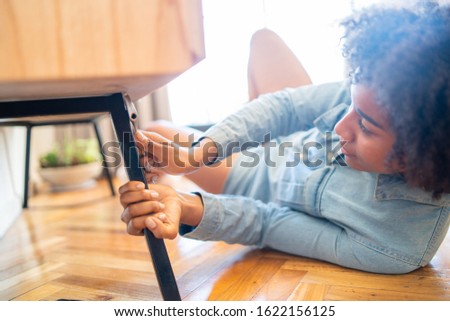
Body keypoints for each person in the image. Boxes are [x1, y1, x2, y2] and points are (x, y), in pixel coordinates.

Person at [118, 1, 450, 274]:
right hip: (292, 137)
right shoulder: (383, 86)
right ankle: (240, 132)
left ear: (423, 153)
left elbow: (266, 223)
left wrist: (186, 205)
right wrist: (200, 153)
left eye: (365, 126)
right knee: (264, 39)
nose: (339, 128)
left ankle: (242, 135)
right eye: (349, 104)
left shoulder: (392, 247)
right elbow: (287, 105)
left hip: (253, 177)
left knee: (158, 130)